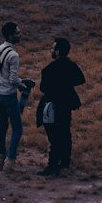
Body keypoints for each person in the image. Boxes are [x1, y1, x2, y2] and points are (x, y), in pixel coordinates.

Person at [36, 37, 85, 176]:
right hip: (66, 103)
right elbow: (80, 79)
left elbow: (43, 88)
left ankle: (53, 165)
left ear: (57, 52)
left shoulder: (49, 69)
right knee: (65, 132)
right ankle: (64, 162)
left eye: (52, 48)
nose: (51, 50)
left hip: (52, 104)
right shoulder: (71, 66)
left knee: (53, 135)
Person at [0, 22, 31, 171]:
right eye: (17, 33)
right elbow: (13, 79)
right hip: (9, 94)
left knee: (2, 127)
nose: (20, 35)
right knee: (17, 129)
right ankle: (10, 160)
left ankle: (0, 158)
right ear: (10, 36)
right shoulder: (14, 55)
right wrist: (23, 85)